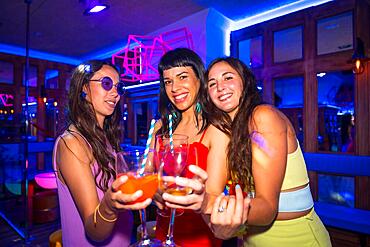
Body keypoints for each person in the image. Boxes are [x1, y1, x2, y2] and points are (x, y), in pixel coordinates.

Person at [203, 57, 331, 246]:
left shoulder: (263, 116)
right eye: (212, 84)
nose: (220, 87)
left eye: (228, 78)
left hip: (295, 238)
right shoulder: (229, 132)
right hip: (252, 240)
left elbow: (267, 209)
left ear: (245, 82)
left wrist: (206, 204)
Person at [53, 60, 152, 246]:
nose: (115, 93)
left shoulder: (104, 138)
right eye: (107, 84)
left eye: (118, 87)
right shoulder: (72, 143)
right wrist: (110, 204)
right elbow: (95, 231)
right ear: (84, 88)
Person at [153, 48, 228, 247]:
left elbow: (212, 197)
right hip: (163, 232)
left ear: (199, 79)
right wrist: (155, 191)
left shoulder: (216, 129)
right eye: (168, 81)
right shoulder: (160, 128)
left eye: (182, 77)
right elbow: (148, 177)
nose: (174, 88)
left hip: (200, 235)